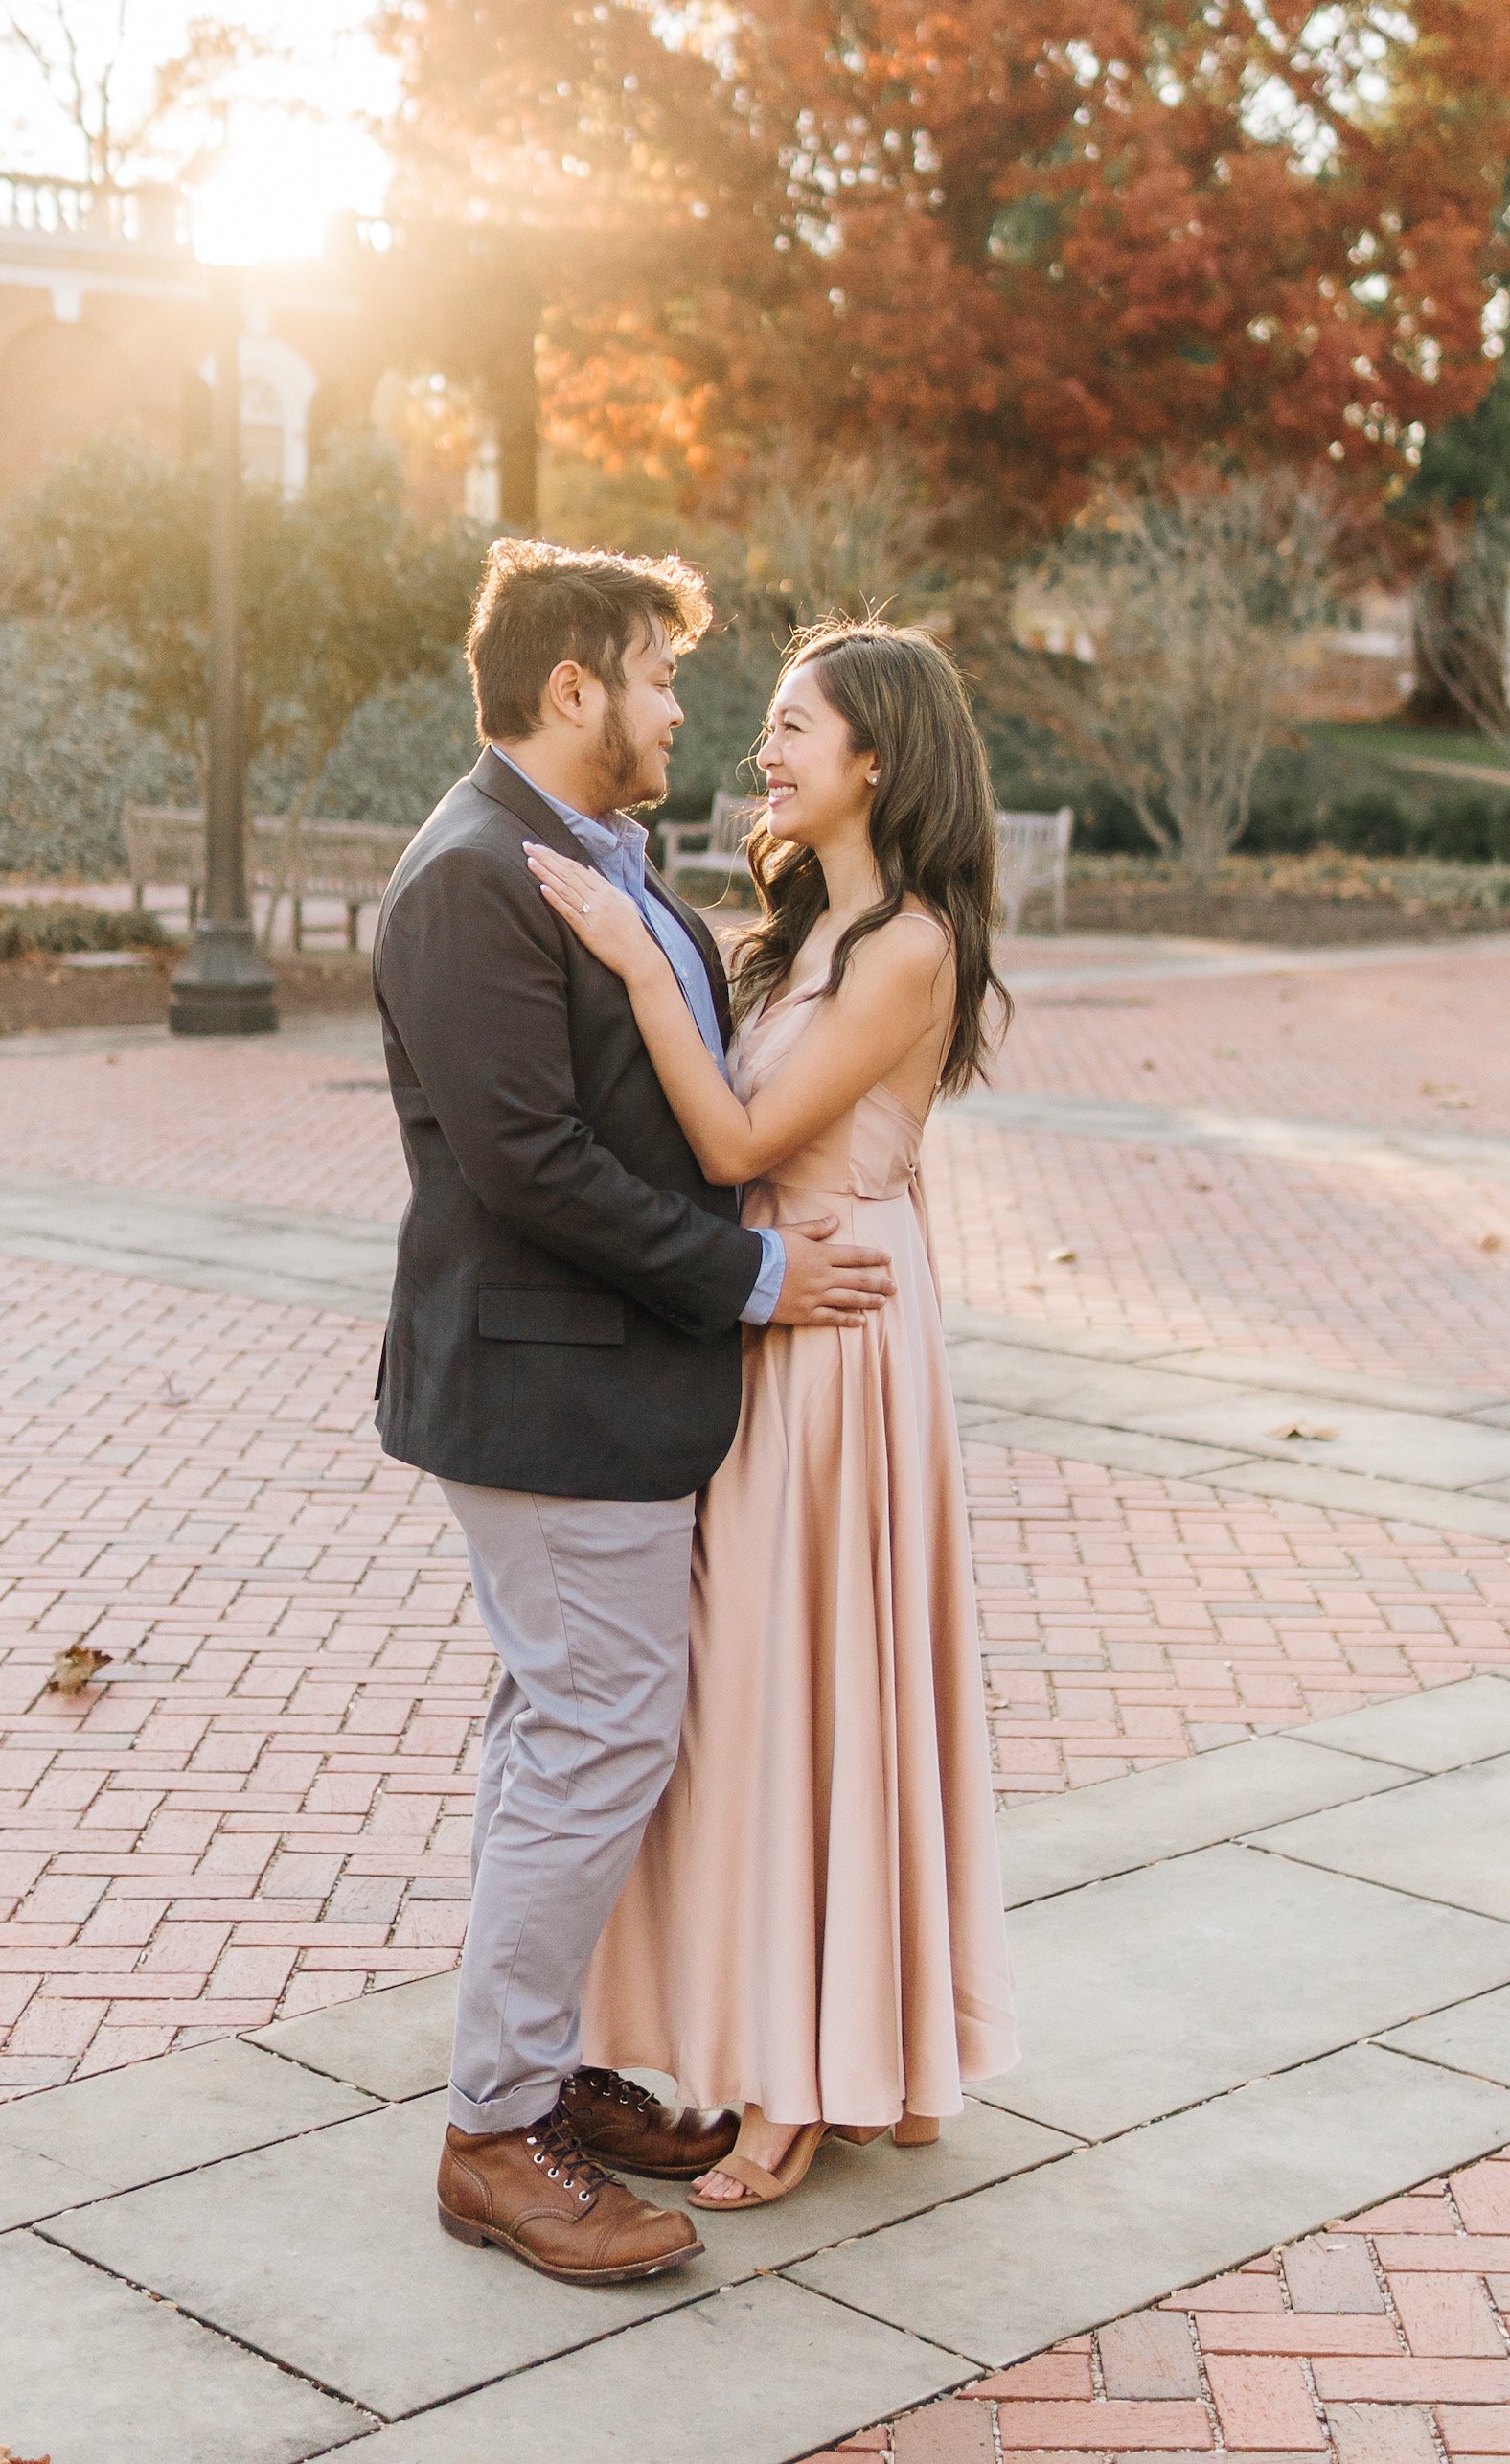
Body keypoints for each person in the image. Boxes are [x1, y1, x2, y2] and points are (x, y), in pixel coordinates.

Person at [371, 541, 897, 2286]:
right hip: (541, 1387)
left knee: (576, 1736)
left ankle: (555, 2072)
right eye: (659, 678)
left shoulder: (590, 856)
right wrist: (753, 1279)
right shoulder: (468, 877)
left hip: (601, 1388)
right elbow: (531, 1165)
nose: (684, 712)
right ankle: (494, 2137)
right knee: (596, 1736)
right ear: (572, 686)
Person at [529, 618, 1018, 2209]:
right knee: (760, 1691)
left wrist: (620, 949)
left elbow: (742, 1120)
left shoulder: (910, 948)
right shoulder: (811, 930)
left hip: (838, 1337)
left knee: (807, 1683)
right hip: (782, 1303)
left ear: (876, 754)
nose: (765, 748)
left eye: (798, 725)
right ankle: (810, 2039)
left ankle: (801, 2084)